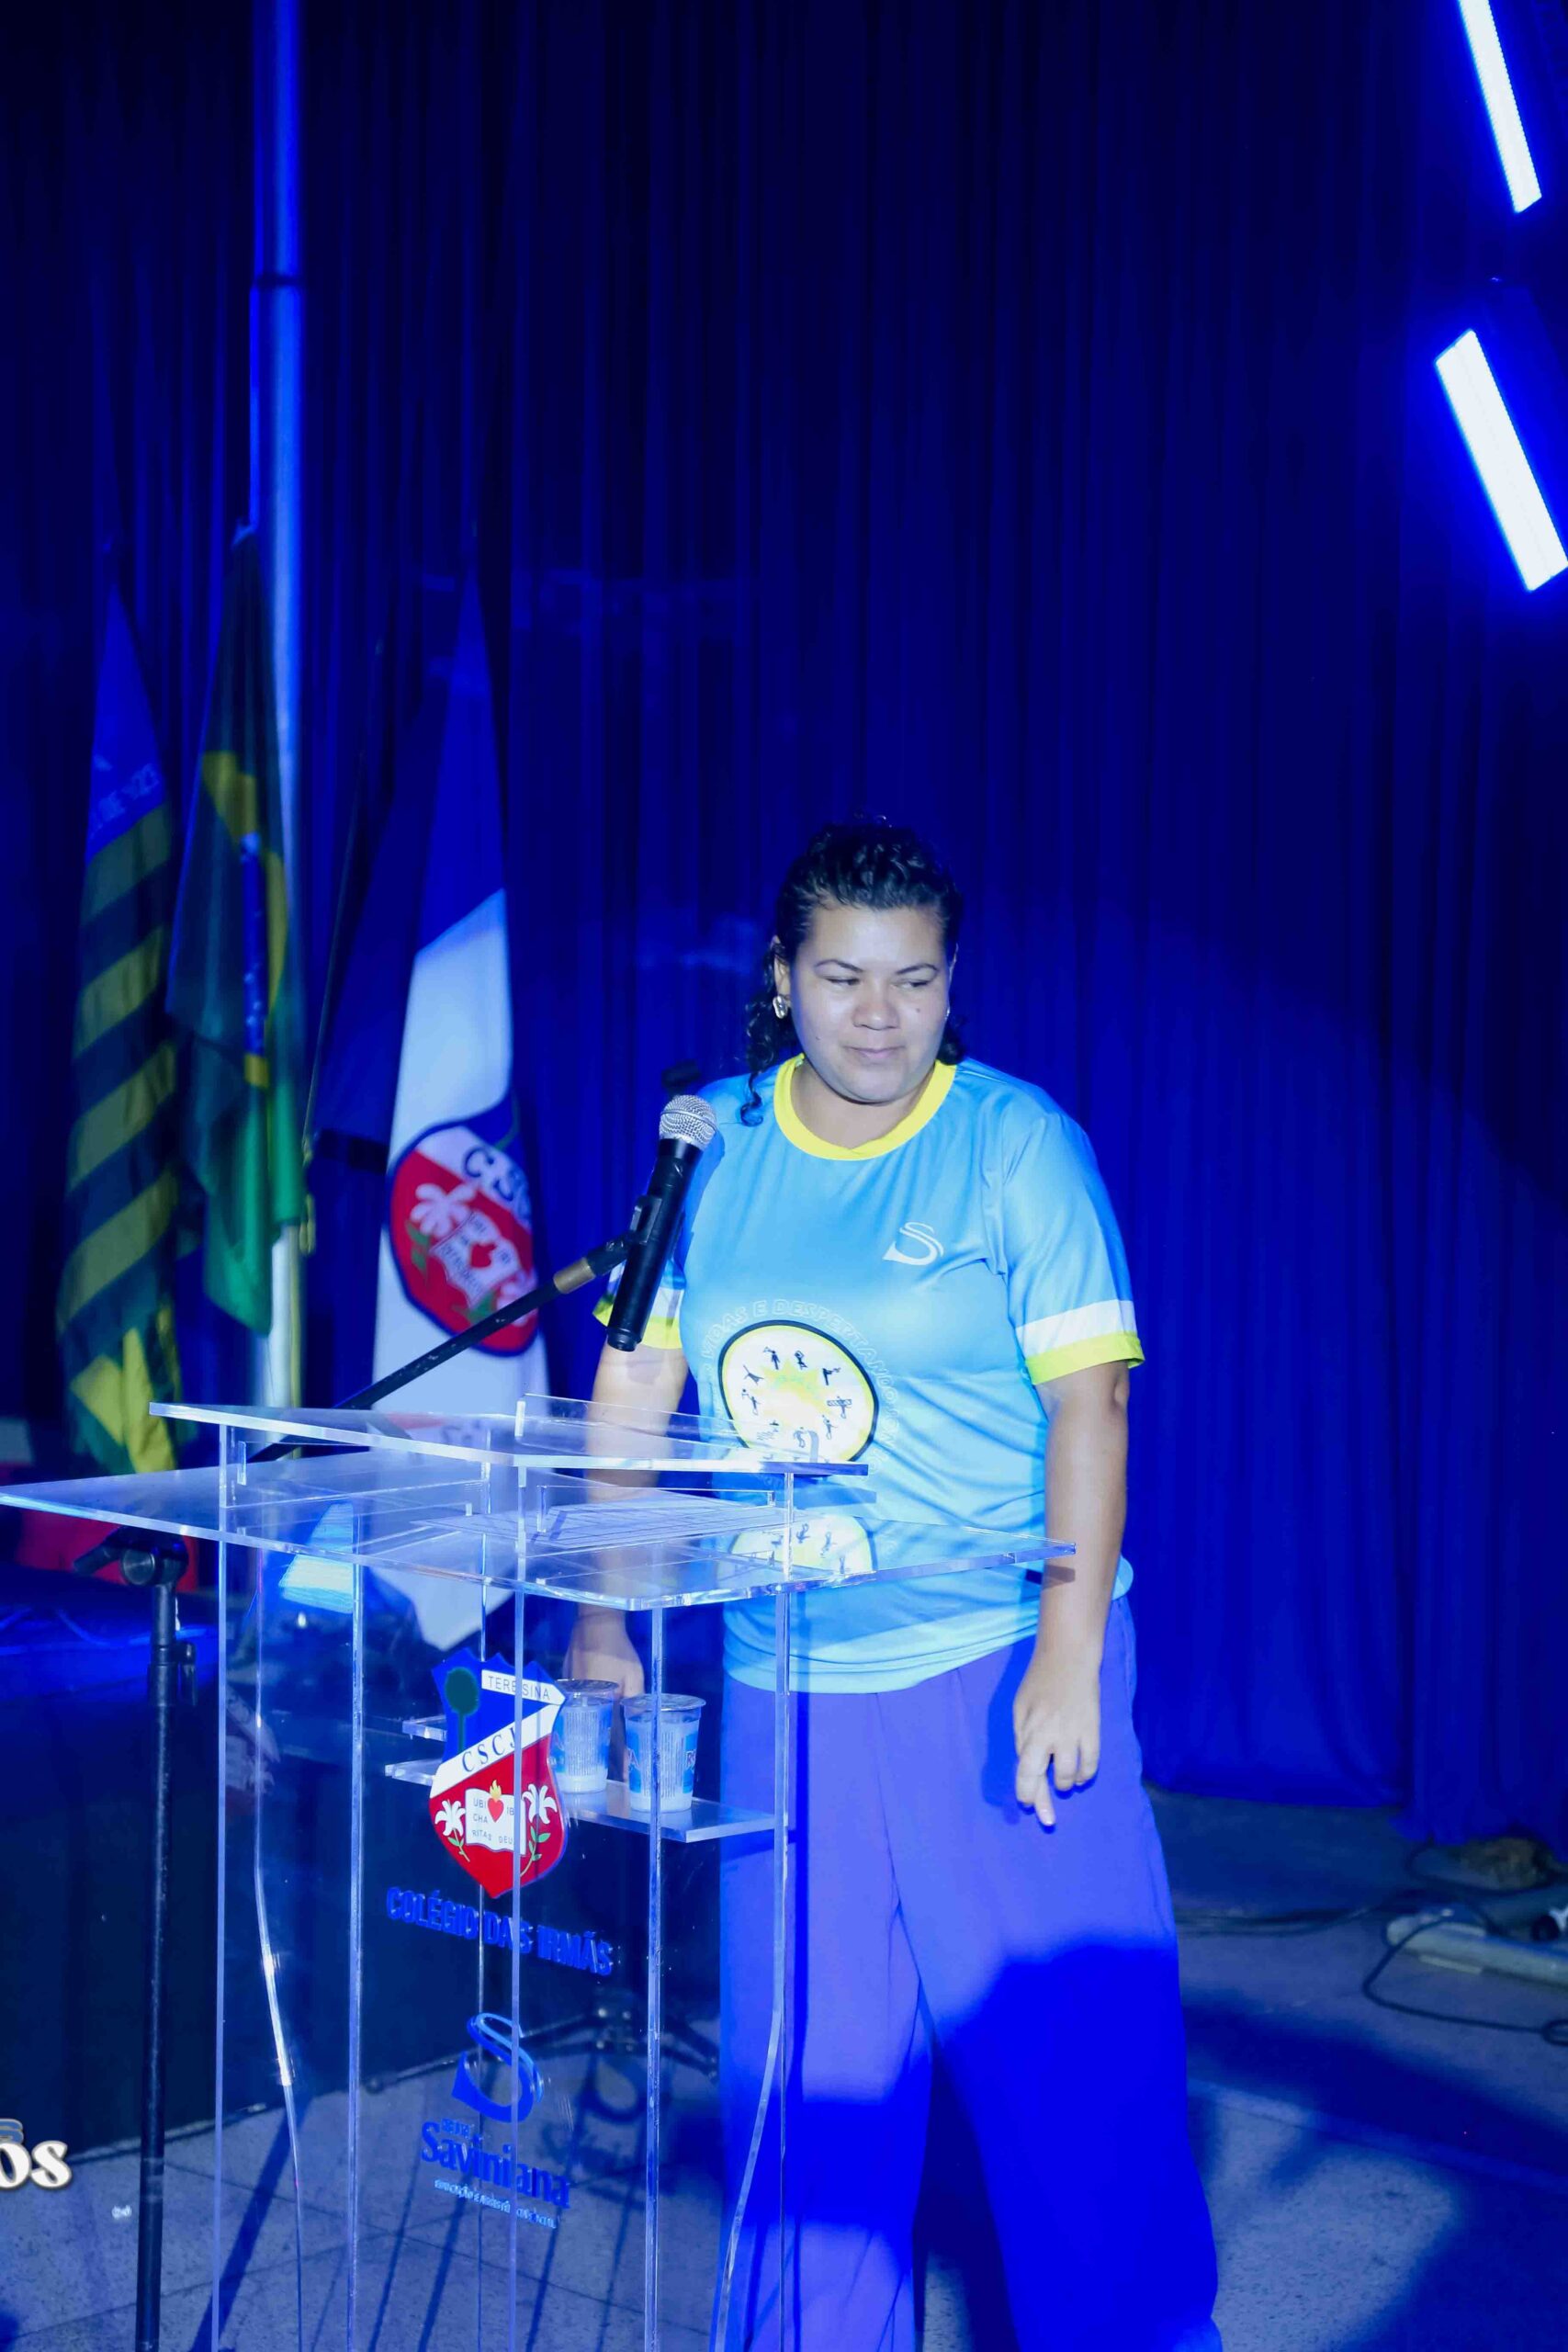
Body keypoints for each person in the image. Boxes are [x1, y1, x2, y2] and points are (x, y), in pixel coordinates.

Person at [569, 819, 1221, 2351]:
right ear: (780, 980)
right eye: (844, 978)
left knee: (1075, 2088)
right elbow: (633, 1388)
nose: (879, 1015)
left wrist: (1067, 1654)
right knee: (807, 2094)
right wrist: (602, 1615)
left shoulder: (1015, 1145)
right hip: (785, 1676)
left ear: (950, 983)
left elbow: (1093, 1407)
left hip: (992, 1657)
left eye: (914, 981)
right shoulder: (711, 1146)